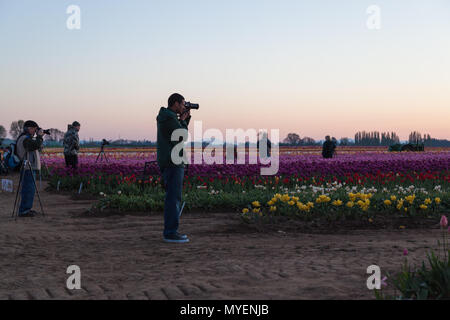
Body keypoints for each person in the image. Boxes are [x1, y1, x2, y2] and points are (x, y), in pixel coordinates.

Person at [157, 93, 191, 243]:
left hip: (171, 161)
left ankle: (170, 231)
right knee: (173, 198)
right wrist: (183, 120)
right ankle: (171, 232)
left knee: (173, 197)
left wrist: (184, 120)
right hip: (173, 162)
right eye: (182, 103)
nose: (184, 106)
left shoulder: (166, 117)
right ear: (175, 104)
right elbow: (181, 135)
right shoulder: (169, 118)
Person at [15, 120, 44, 217]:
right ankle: (24, 210)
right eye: (34, 129)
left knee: (29, 189)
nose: (35, 132)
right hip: (27, 167)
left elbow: (36, 146)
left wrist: (38, 138)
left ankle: (26, 209)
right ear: (29, 128)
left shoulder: (26, 138)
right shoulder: (24, 138)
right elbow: (34, 145)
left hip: (29, 167)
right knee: (28, 189)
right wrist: (39, 137)